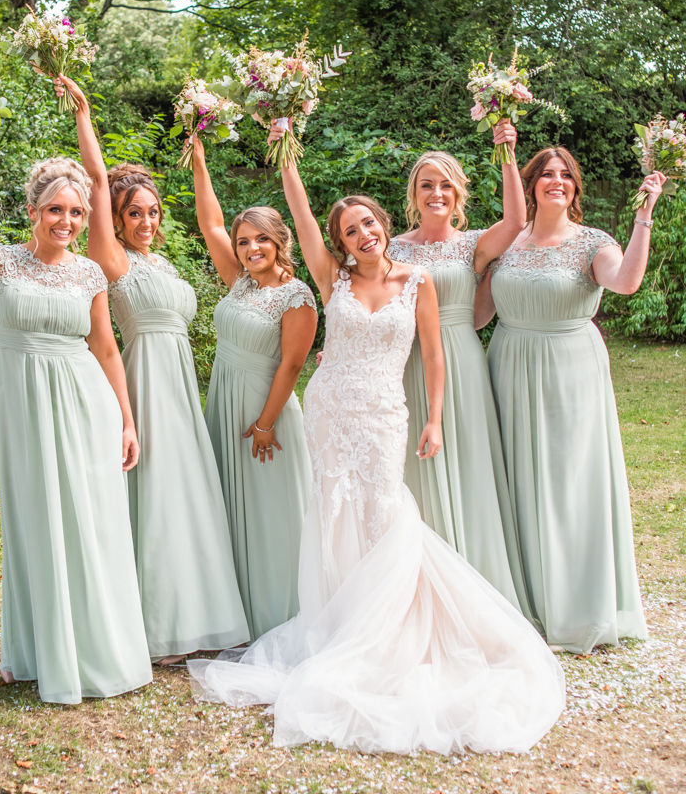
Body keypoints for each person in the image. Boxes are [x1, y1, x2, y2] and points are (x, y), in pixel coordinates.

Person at [188, 147, 565, 756]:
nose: (361, 234)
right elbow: (301, 217)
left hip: (385, 414)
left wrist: (435, 419)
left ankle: (389, 630)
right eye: (349, 230)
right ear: (340, 242)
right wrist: (286, 149)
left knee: (384, 513)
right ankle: (339, 622)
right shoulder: (331, 278)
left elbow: (435, 356)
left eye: (367, 223)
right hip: (332, 409)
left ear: (383, 224)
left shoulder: (415, 282)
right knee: (333, 510)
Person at [0, 135, 152, 703]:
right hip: (27, 406)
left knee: (90, 518)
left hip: (87, 403)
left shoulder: (89, 275)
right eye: (56, 209)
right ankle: (37, 648)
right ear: (34, 211)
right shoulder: (0, 261)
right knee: (36, 516)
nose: (67, 220)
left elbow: (107, 350)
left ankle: (96, 648)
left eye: (77, 211)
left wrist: (127, 421)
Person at [52, 76, 249, 663]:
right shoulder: (109, 259)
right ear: (114, 216)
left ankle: (201, 614)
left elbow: (214, 224)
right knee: (155, 497)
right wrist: (85, 114)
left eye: (152, 212)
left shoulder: (161, 260)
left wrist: (200, 156)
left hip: (182, 386)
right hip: (141, 381)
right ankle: (154, 625)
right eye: (133, 211)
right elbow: (92, 179)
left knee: (189, 495)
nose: (145, 219)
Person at [480, 146, 665, 652]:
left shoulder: (592, 243)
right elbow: (473, 316)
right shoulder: (506, 243)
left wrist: (643, 218)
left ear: (575, 186)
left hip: (570, 369)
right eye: (546, 174)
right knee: (516, 477)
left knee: (570, 480)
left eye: (566, 175)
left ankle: (578, 605)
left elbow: (625, 282)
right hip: (508, 363)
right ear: (531, 183)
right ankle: (526, 601)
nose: (556, 181)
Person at [388, 120, 530, 614]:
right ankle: (421, 588)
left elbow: (516, 221)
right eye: (427, 184)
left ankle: (476, 583)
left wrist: (507, 150)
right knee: (413, 467)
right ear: (414, 193)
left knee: (468, 463)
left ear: (458, 192)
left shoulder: (473, 245)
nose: (436, 192)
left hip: (461, 361)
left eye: (446, 184)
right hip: (407, 363)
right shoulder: (393, 248)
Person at [190, 134, 317, 639]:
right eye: (243, 242)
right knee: (226, 508)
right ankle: (235, 612)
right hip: (224, 403)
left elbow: (290, 366)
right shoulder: (239, 282)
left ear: (279, 241)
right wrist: (199, 159)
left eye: (260, 240)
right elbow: (210, 223)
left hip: (267, 414)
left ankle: (280, 615)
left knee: (270, 515)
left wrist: (264, 424)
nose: (249, 249)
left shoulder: (297, 295)